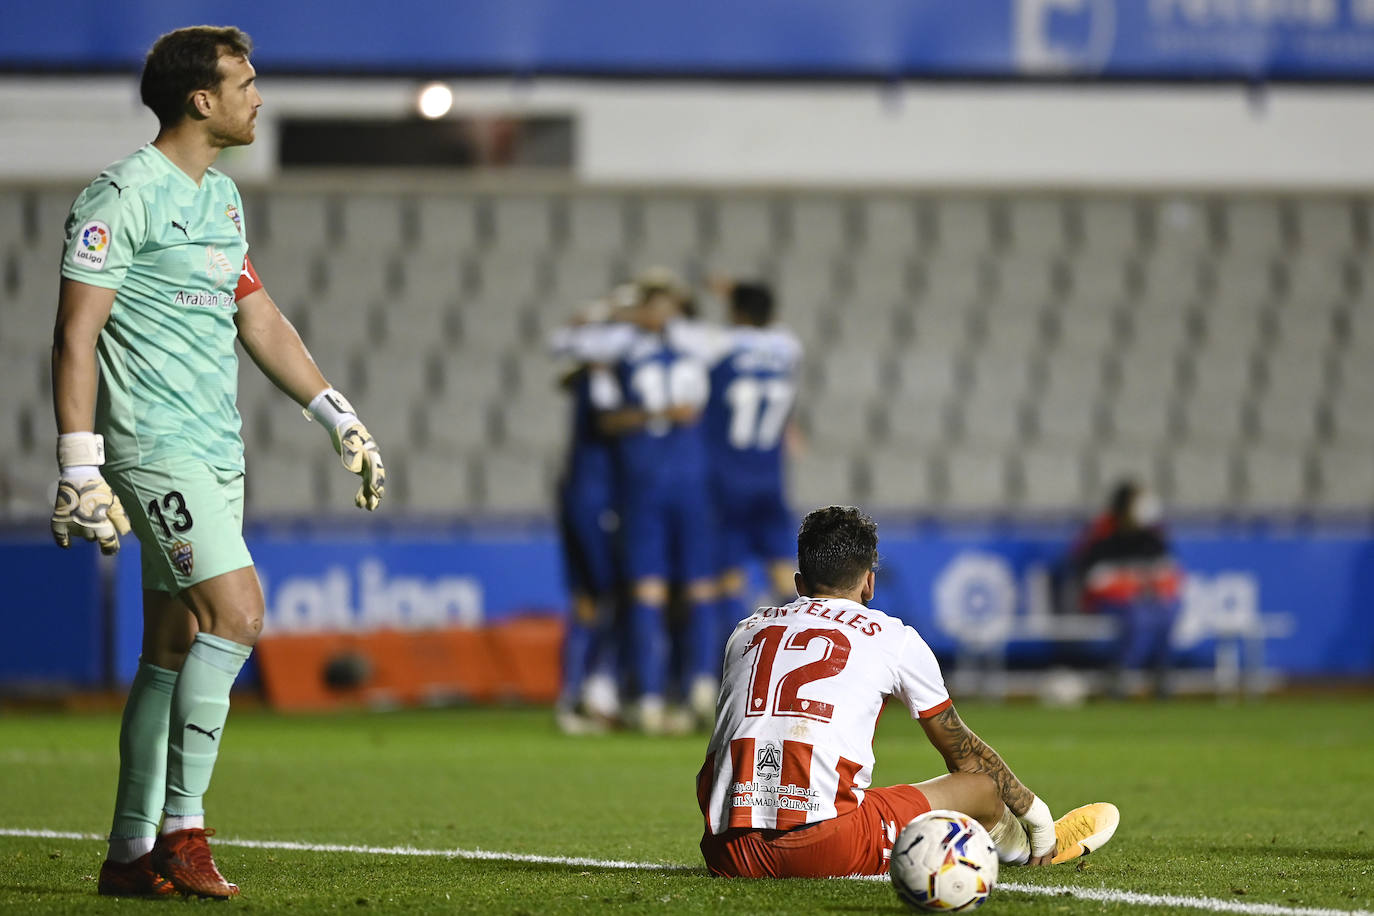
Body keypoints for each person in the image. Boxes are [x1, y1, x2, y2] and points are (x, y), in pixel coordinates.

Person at [49, 27, 385, 899]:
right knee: (237, 614)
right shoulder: (119, 196)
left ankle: (128, 852)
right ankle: (183, 831)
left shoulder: (222, 200)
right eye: (247, 81)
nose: (259, 96)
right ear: (203, 99)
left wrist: (336, 414)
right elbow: (75, 333)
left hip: (215, 447)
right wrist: (80, 461)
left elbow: (260, 317)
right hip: (153, 447)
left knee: (172, 645)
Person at [696, 506, 1118, 878]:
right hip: (822, 845)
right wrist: (1038, 817)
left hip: (726, 849)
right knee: (981, 790)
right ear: (869, 584)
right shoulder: (892, 637)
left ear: (799, 583)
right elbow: (964, 756)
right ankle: (1036, 852)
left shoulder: (746, 630)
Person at [697, 279, 802, 672]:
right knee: (783, 574)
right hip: (770, 478)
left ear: (737, 313)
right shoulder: (787, 349)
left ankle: (728, 672)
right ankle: (788, 664)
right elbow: (772, 328)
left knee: (727, 578)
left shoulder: (718, 345)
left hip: (726, 478)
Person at [1070, 479, 1183, 698]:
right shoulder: (1102, 534)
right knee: (1138, 615)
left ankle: (1162, 674)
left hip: (1144, 600)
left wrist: (1146, 584)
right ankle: (1122, 674)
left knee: (1168, 611)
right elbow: (1095, 579)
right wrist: (1135, 584)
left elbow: (1169, 574)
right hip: (1106, 603)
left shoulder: (1152, 536)